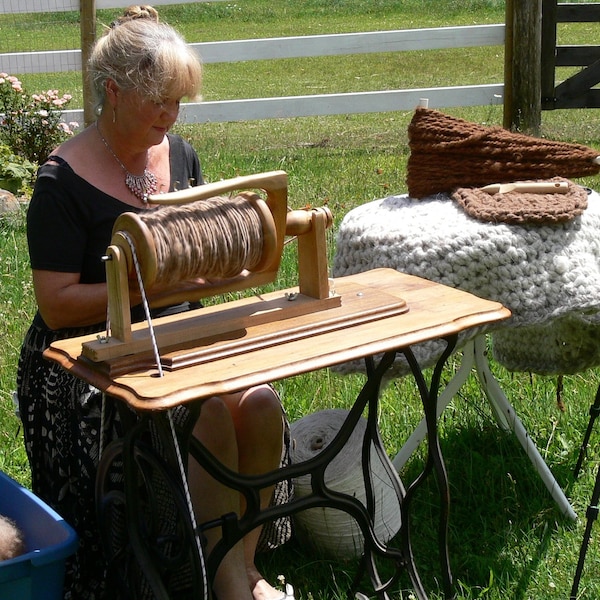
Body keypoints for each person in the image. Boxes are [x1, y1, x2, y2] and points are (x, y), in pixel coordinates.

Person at [16, 7, 292, 600]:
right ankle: (221, 583)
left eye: (178, 103)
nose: (170, 117)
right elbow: (58, 304)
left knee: (261, 402)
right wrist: (144, 290)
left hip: (168, 332)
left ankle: (244, 566)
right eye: (158, 102)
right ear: (113, 92)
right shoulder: (59, 183)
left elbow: (191, 253)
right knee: (207, 413)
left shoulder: (181, 155)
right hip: (83, 358)